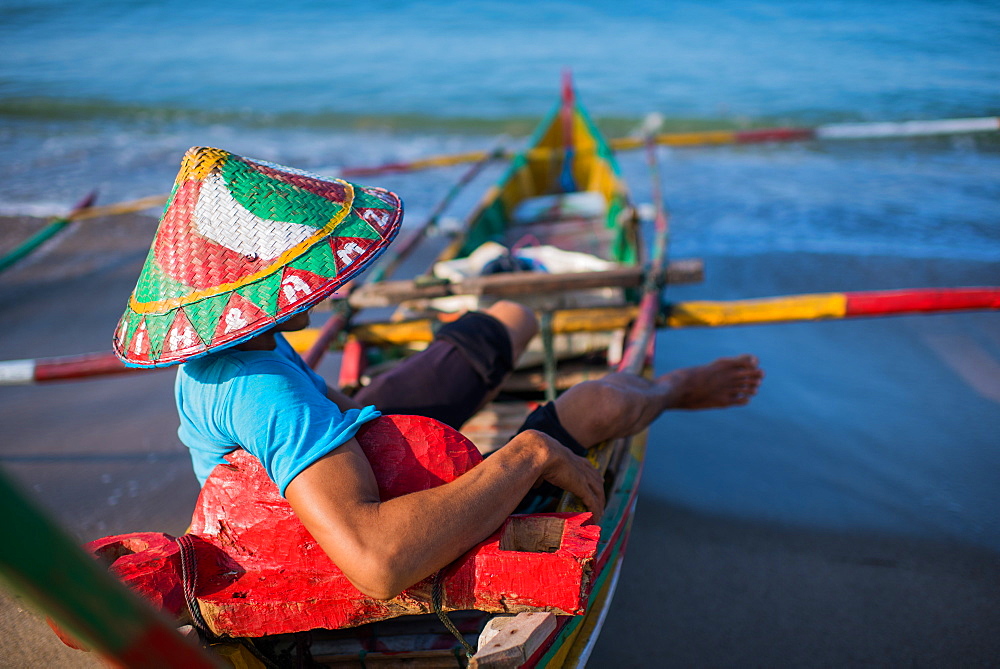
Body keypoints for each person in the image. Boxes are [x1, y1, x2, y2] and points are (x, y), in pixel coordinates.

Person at [115, 147, 763, 601]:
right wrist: (528, 455)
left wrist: (357, 414)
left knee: (512, 316)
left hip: (355, 436)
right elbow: (376, 563)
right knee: (593, 409)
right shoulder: (268, 396)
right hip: (398, 498)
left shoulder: (215, 358)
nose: (312, 281)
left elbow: (321, 409)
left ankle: (509, 288)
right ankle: (677, 388)